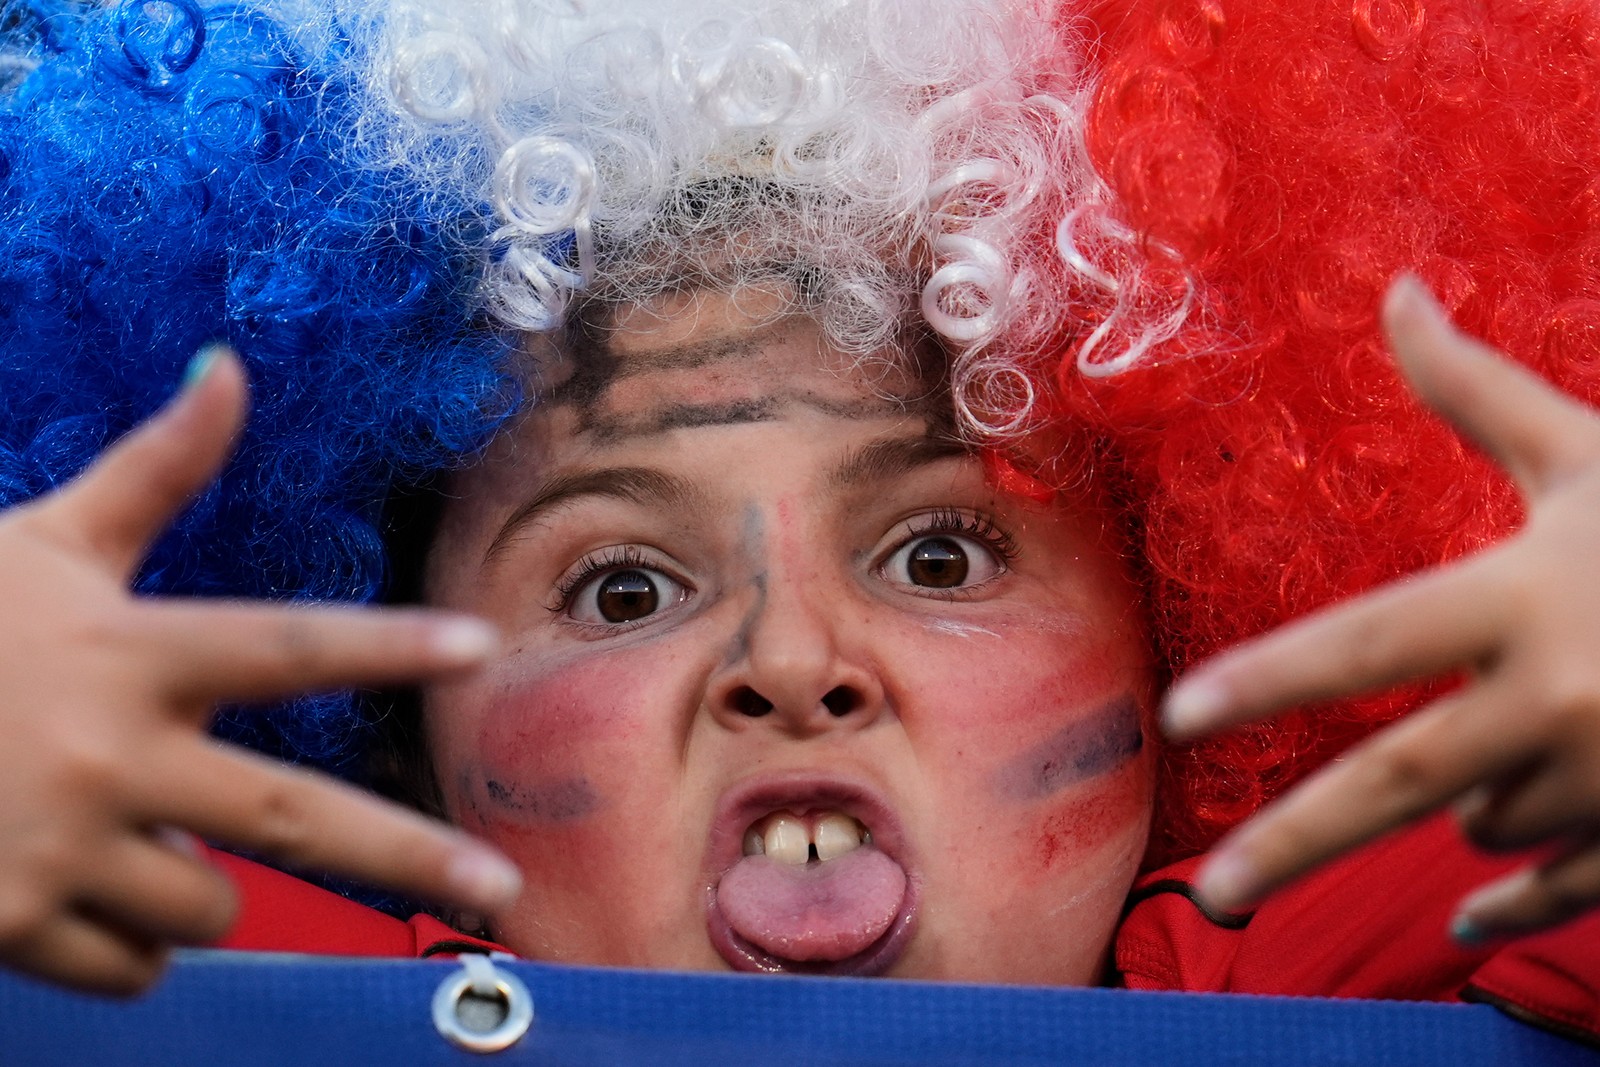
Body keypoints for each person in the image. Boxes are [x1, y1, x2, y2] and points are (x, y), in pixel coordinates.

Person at [3, 0, 1600, 1036]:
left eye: (937, 553)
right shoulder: (269, 994)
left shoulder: (1279, 990)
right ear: (402, 732)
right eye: (622, 590)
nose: (791, 660)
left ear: (1182, 639)